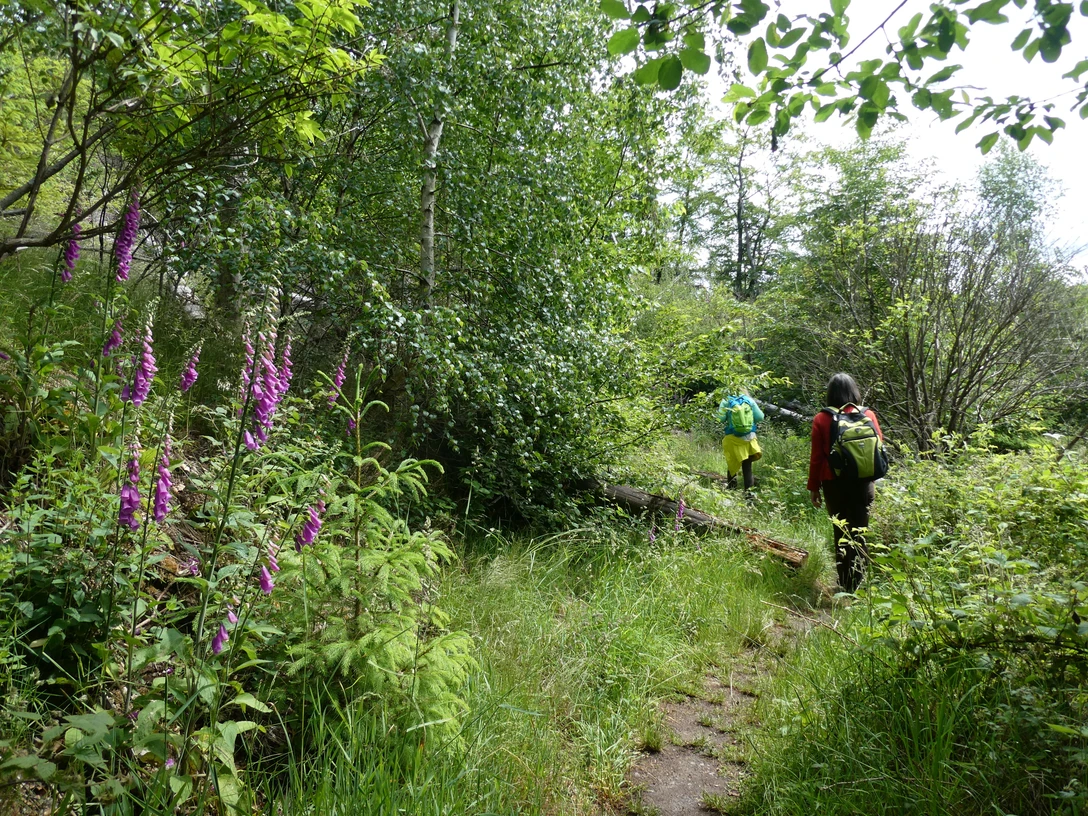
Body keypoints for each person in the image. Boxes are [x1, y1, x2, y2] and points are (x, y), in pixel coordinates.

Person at [807, 373, 884, 593]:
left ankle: (844, 585)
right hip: (863, 483)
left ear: (830, 394)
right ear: (854, 391)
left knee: (841, 533)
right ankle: (860, 588)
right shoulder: (868, 414)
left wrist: (814, 487)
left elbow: (817, 458)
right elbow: (878, 446)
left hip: (834, 484)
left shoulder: (822, 418)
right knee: (860, 532)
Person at [717, 393, 764, 491]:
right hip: (749, 438)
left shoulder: (726, 401)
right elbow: (760, 417)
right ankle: (749, 496)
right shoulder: (748, 400)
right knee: (747, 468)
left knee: (732, 465)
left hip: (732, 439)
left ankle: (731, 490)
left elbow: (720, 419)